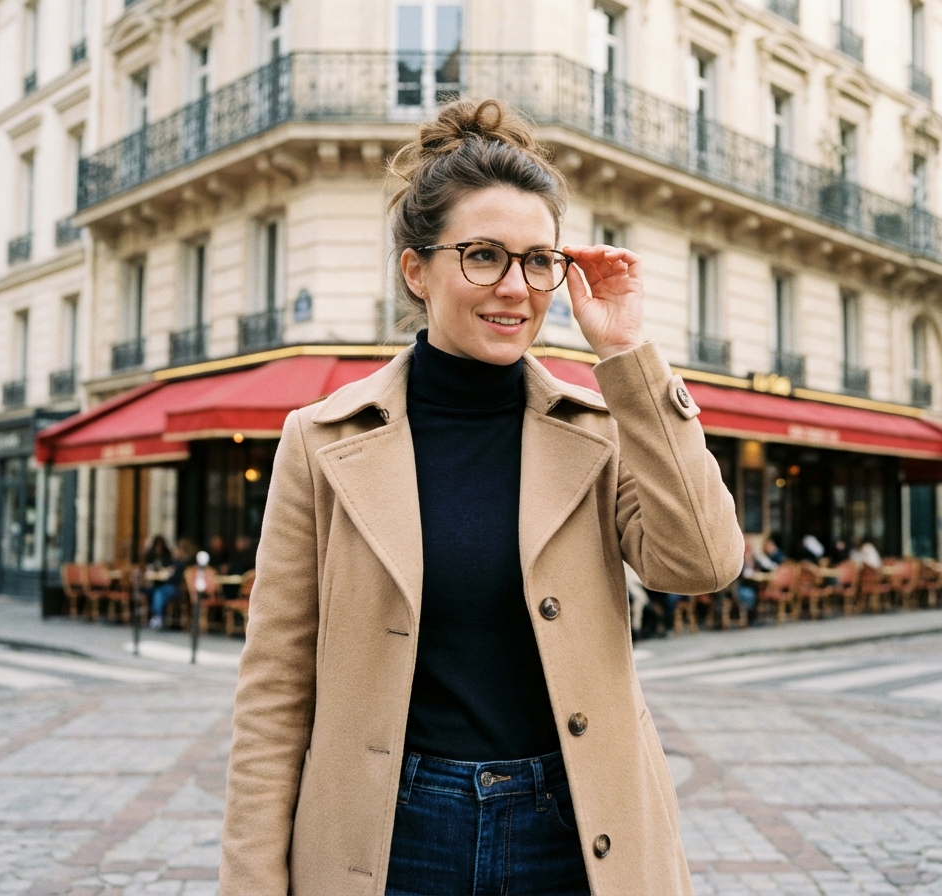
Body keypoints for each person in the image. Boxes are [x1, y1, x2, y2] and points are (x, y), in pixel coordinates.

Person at [220, 99, 742, 896]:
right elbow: (275, 692)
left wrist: (629, 356)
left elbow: (703, 562)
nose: (515, 287)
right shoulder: (321, 440)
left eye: (538, 261)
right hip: (390, 835)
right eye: (484, 256)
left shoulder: (601, 430)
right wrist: (253, 883)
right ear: (416, 270)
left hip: (573, 830)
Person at [148, 538, 194, 630]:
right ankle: (159, 615)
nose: (174, 551)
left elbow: (177, 578)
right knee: (155, 591)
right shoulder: (174, 562)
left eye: (176, 549)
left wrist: (170, 573)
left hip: (177, 589)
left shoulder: (183, 564)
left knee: (159, 593)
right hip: (169, 586)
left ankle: (158, 616)